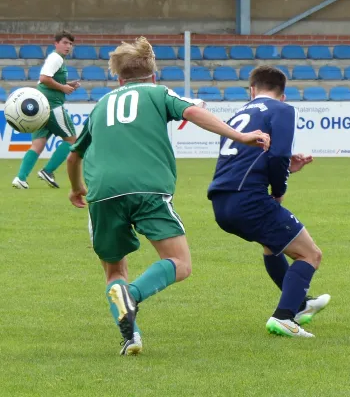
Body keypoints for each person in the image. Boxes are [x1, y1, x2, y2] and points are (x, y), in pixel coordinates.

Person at [66, 37, 270, 355]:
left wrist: (77, 188)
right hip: (147, 188)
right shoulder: (159, 93)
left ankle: (130, 336)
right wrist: (239, 135)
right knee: (179, 263)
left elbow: (73, 157)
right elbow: (193, 112)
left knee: (115, 272)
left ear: (118, 78)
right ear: (154, 74)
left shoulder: (101, 105)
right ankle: (132, 295)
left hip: (102, 194)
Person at [207, 66, 330, 338]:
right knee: (311, 254)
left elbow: (253, 159)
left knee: (272, 245)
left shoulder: (239, 114)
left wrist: (286, 165)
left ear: (251, 90)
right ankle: (284, 317)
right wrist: (279, 188)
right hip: (248, 199)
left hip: (221, 202)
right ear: (283, 95)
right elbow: (277, 155)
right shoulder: (282, 110)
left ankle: (299, 303)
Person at [12, 30, 80, 189]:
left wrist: (67, 84)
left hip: (42, 106)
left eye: (70, 44)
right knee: (72, 140)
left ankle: (20, 178)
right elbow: (44, 78)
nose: (68, 46)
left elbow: (46, 80)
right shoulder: (56, 58)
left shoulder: (57, 59)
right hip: (52, 105)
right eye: (65, 42)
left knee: (38, 143)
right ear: (56, 44)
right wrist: (63, 88)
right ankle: (47, 171)